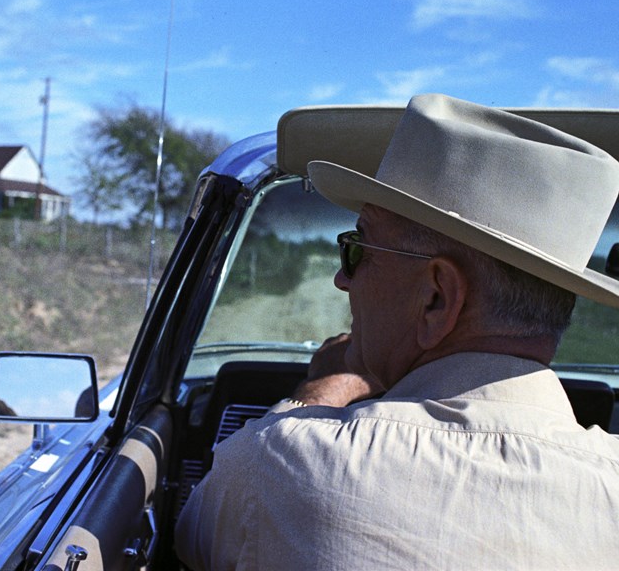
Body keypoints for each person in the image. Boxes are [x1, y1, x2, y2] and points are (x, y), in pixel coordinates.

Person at [176, 94, 619, 570]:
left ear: (436, 299)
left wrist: (314, 398)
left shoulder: (283, 463)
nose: (342, 279)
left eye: (357, 249)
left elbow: (191, 540)